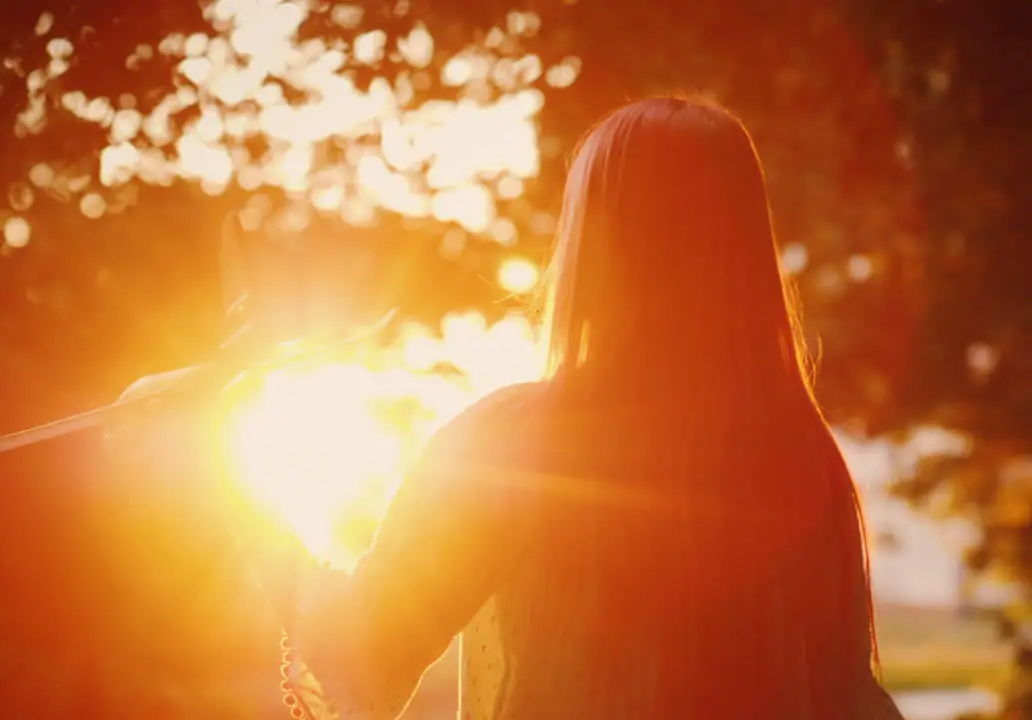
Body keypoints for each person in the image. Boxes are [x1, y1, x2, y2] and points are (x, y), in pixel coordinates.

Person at [124, 95, 906, 719]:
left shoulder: (522, 444)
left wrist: (216, 451)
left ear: (594, 249)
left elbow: (356, 648)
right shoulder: (804, 462)